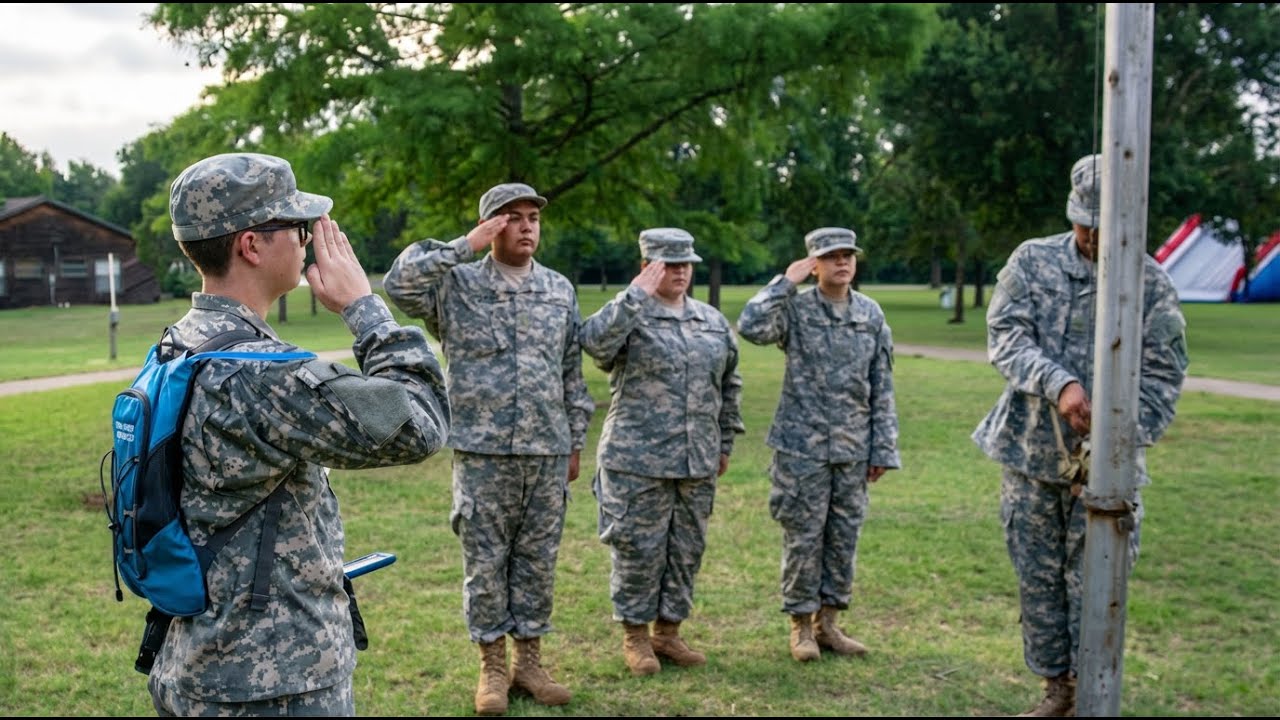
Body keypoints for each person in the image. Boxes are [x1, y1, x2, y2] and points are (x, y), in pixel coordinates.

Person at [148, 152, 451, 716]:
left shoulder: (178, 345)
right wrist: (364, 309)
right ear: (251, 245)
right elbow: (422, 424)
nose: (309, 238)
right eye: (295, 225)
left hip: (191, 658)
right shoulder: (267, 374)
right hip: (271, 682)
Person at [972, 153, 1189, 717]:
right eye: (1083, 223)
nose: (1091, 236)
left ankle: (1093, 694)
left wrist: (1113, 439)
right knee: (1038, 581)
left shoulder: (1150, 284)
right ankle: (1057, 692)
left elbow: (1164, 376)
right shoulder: (1032, 261)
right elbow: (1005, 336)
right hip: (1030, 455)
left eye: (1103, 226)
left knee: (1097, 585)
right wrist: (1059, 384)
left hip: (1107, 469)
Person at [382, 182, 595, 715]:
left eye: (532, 218)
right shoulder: (455, 285)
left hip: (546, 449)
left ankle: (530, 663)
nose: (526, 226)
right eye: (512, 218)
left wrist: (573, 440)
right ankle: (492, 668)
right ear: (490, 226)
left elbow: (570, 370)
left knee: (537, 561)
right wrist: (467, 244)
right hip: (483, 450)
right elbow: (399, 283)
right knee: (485, 562)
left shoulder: (558, 289)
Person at [579, 228, 745, 676]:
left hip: (696, 459)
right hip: (637, 459)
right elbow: (593, 343)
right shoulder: (629, 314)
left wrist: (724, 441)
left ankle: (668, 633)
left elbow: (729, 385)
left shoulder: (710, 321)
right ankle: (635, 636)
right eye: (669, 265)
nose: (680, 272)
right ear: (647, 267)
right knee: (637, 549)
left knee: (685, 549)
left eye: (686, 264)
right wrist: (635, 295)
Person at [737, 227, 900, 663]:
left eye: (848, 255)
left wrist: (883, 448)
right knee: (803, 537)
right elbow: (750, 327)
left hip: (852, 447)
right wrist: (785, 282)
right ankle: (801, 626)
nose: (842, 263)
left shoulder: (870, 314)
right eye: (831, 257)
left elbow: (881, 383)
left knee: (842, 537)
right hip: (801, 446)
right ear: (814, 264)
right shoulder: (795, 307)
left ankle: (829, 623)